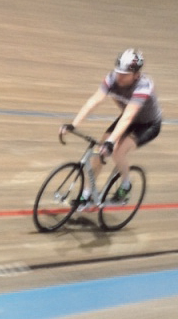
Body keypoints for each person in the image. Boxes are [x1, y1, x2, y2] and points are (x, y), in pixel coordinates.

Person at [61, 48, 161, 204]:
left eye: (124, 74)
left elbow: (127, 117)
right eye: (118, 72)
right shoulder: (112, 78)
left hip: (148, 124)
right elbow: (93, 101)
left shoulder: (143, 86)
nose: (119, 76)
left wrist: (111, 142)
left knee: (117, 152)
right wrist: (73, 124)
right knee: (99, 152)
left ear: (136, 75)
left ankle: (126, 185)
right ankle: (86, 195)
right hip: (130, 118)